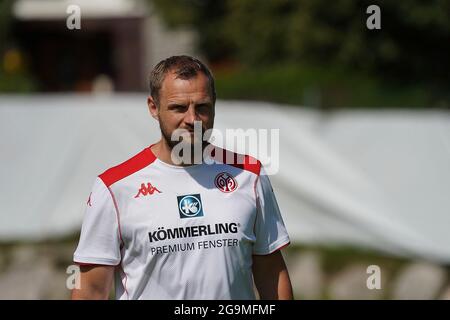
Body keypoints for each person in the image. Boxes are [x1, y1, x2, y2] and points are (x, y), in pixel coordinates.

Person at [71, 55, 293, 300]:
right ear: (153, 107)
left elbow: (272, 274)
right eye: (178, 107)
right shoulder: (114, 187)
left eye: (202, 107)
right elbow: (91, 291)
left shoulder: (249, 175)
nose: (192, 120)